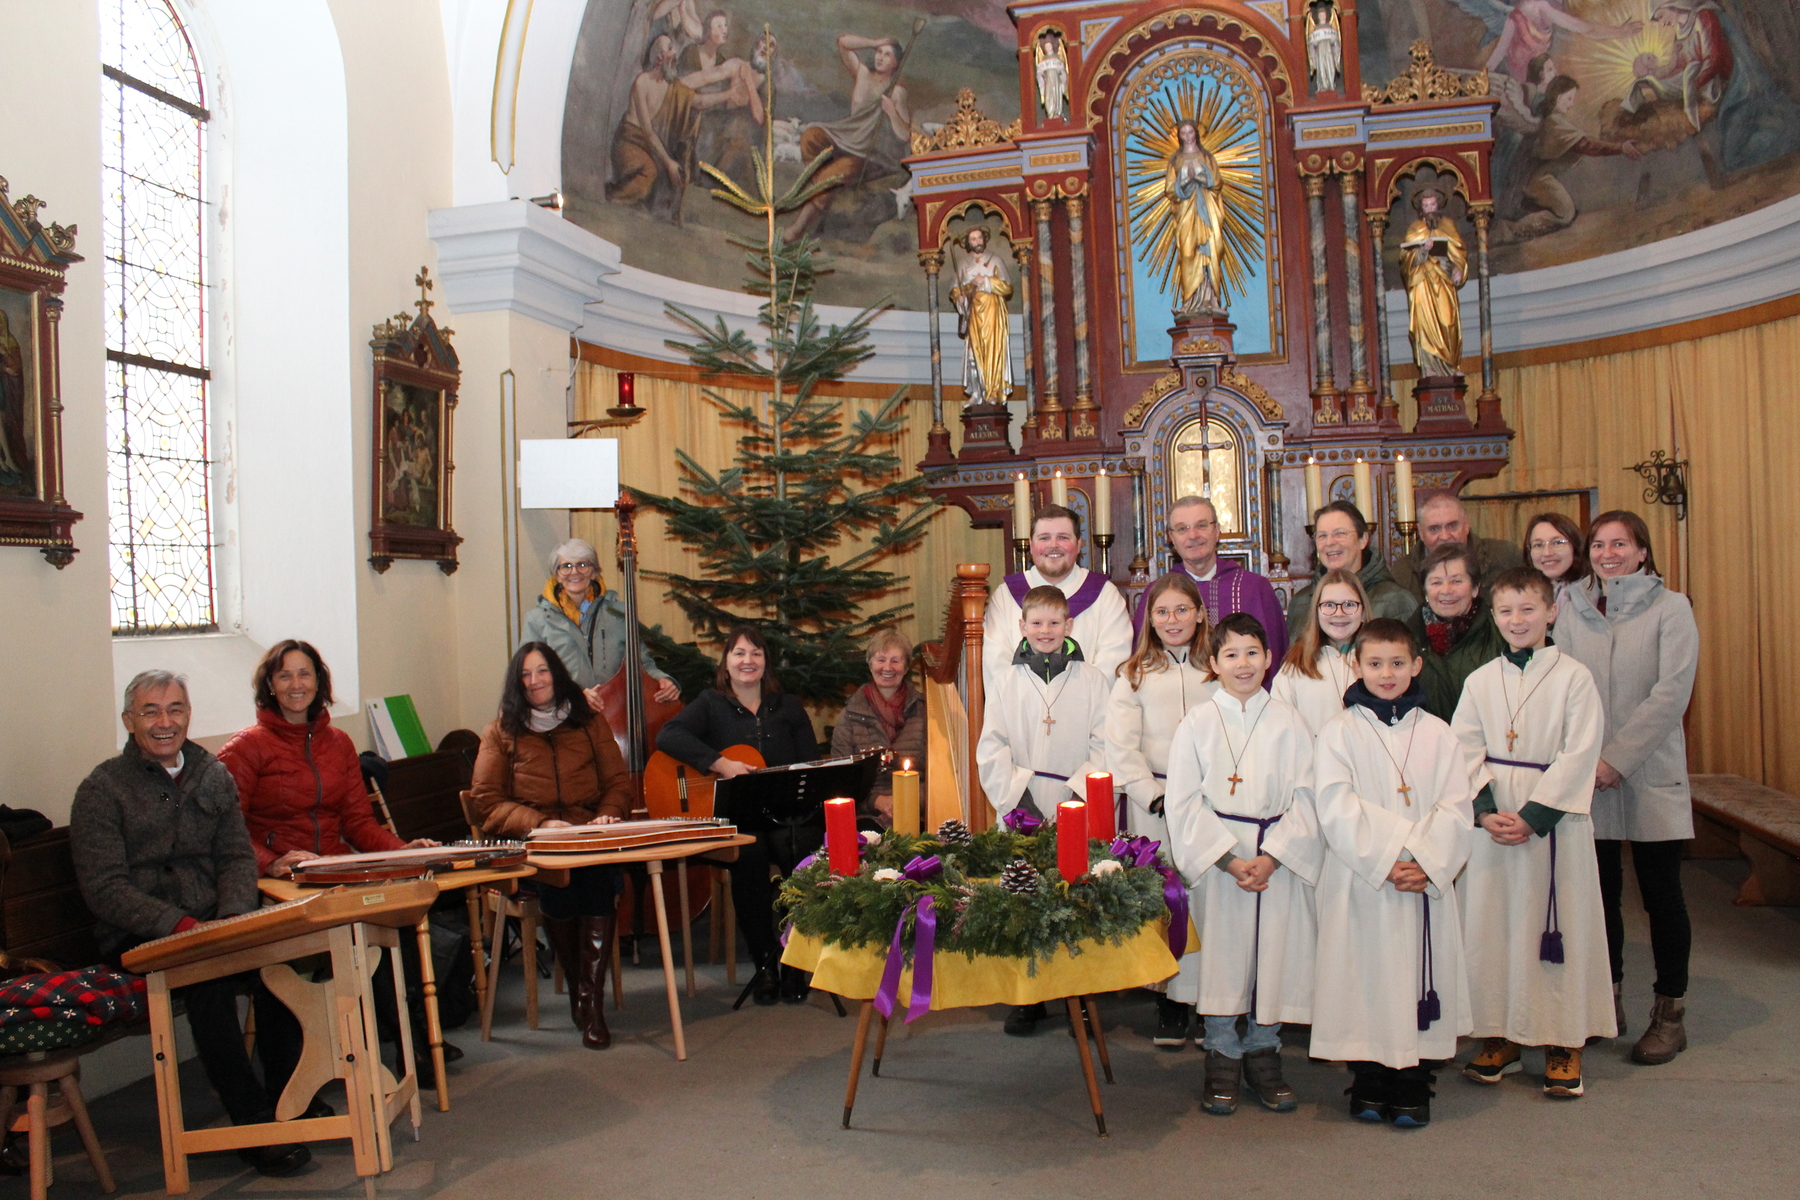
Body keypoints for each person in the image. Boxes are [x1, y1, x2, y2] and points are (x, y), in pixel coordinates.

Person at [71, 671, 311, 1177]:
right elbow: (105, 889)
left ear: (188, 715)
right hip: (142, 934)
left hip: (215, 922)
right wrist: (178, 926)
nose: (165, 722)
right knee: (209, 982)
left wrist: (234, 919)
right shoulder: (101, 789)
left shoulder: (212, 773)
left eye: (175, 709)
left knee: (280, 966)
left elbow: (236, 857)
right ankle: (253, 1124)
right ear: (129, 721)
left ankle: (287, 1100)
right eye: (151, 711)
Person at [218, 639, 455, 1083]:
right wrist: (271, 862)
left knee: (392, 920)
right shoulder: (246, 748)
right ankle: (288, 1077)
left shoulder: (339, 743)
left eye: (304, 674)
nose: (296, 684)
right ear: (270, 685)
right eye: (285, 675)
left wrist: (401, 851)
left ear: (319, 682)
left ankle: (412, 1046)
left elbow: (358, 823)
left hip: (333, 872)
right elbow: (225, 829)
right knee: (283, 960)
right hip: (278, 883)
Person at [1452, 567, 1613, 1099]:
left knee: (1557, 929)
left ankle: (1563, 1042)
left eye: (1527, 609)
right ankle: (1499, 1034)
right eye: (1505, 611)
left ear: (1551, 612)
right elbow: (1463, 748)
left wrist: (1535, 816)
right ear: (1493, 617)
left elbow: (1580, 751)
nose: (1516, 620)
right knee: (1494, 928)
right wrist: (1484, 809)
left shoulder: (1574, 677)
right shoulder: (1480, 680)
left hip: (1553, 824)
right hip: (1495, 821)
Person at [1310, 620, 1475, 1128]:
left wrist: (1426, 862)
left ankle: (1413, 1081)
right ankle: (1368, 1077)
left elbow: (1456, 806)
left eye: (1398, 663)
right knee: (1364, 976)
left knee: (1417, 976)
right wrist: (1387, 858)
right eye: (1375, 663)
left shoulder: (1439, 733)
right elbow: (1334, 805)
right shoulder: (1338, 732)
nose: (1387, 673)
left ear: (1416, 666)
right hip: (1363, 878)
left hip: (1421, 880)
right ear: (1356, 666)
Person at [1555, 511, 1699, 1064]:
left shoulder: (1672, 608)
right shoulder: (1571, 606)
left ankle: (1670, 1014)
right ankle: (1606, 1002)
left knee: (1662, 897)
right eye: (1598, 544)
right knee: (1600, 897)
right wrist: (1584, 760)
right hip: (1588, 775)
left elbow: (1671, 693)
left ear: (1642, 551)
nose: (1608, 553)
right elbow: (1563, 687)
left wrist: (1616, 759)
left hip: (1648, 770)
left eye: (1620, 544)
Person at [1163, 614, 1319, 1116]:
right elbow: (1182, 802)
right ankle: (1222, 1053)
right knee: (1222, 957)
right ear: (1214, 663)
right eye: (1231, 654)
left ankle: (1263, 1051)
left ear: (1269, 658)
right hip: (1221, 861)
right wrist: (1229, 860)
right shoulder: (1197, 722)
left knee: (1272, 955)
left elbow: (1308, 797)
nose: (1243, 664)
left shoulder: (1290, 722)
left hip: (1275, 859)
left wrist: (1273, 857)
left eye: (1252, 652)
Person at [470, 643, 634, 1049]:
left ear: (557, 674)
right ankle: (583, 991)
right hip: (536, 845)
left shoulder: (589, 721)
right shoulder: (500, 731)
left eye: (542, 671)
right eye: (525, 674)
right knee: (560, 883)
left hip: (589, 835)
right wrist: (540, 823)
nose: (534, 681)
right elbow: (486, 802)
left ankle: (589, 1002)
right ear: (516, 682)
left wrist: (608, 814)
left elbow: (618, 783)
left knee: (596, 877)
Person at [656, 625, 821, 1005]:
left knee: (803, 851)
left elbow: (811, 763)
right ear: (726, 662)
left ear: (766, 663)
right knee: (748, 857)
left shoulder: (788, 707)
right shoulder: (710, 703)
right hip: (739, 818)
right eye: (739, 653)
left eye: (756, 653)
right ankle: (764, 963)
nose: (748, 661)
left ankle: (795, 961)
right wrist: (720, 763)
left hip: (786, 816)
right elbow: (669, 735)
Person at [976, 585, 1111, 1037]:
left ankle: (1080, 997)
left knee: (1076, 900)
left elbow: (1104, 743)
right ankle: (1028, 998)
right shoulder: (1005, 682)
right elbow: (992, 746)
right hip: (1023, 807)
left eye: (1055, 622)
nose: (1046, 630)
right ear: (1022, 627)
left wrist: (1077, 795)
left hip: (1076, 804)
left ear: (1069, 626)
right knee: (1025, 899)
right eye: (1037, 623)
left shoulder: (1092, 680)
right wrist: (1020, 800)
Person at [1105, 575, 1215, 1048]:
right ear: (1148, 619)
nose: (1173, 620)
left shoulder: (1219, 667)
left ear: (1201, 614)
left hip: (1213, 803)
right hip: (1157, 803)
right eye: (1162, 612)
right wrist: (1152, 795)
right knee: (1168, 901)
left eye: (1182, 610)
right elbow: (1120, 747)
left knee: (1209, 901)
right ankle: (1170, 1001)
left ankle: (1211, 1001)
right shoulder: (1134, 675)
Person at [1131, 495, 1288, 686]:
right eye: (1182, 529)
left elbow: (1276, 659)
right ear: (1171, 538)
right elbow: (1142, 660)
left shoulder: (1254, 588)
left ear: (1217, 530)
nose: (1193, 535)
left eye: (1202, 525)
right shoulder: (1157, 594)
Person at [983, 505, 1133, 688]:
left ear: (1079, 545)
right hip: (1020, 702)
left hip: (1087, 702)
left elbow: (1114, 658)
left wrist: (1072, 697)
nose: (1053, 545)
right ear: (1031, 545)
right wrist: (1032, 698)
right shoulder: (1006, 594)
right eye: (1044, 538)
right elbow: (995, 661)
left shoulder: (1104, 593)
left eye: (1063, 537)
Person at [783, 34, 913, 243]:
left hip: (868, 152)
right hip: (845, 138)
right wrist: (874, 42)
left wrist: (892, 113)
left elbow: (905, 134)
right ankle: (824, 192)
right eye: (878, 52)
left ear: (896, 63)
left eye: (887, 55)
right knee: (810, 137)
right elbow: (843, 43)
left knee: (831, 175)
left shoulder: (897, 93)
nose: (880, 57)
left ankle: (799, 226)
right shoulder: (863, 74)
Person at [521, 538, 680, 698]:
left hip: (614, 708)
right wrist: (576, 697)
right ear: (557, 574)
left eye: (582, 565)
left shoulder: (619, 613)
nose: (574, 572)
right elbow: (530, 677)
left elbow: (642, 664)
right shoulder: (537, 620)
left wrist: (662, 679)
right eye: (566, 566)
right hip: (565, 710)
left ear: (594, 572)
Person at [829, 629, 927, 827]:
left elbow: (940, 776)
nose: (887, 667)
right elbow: (839, 781)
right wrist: (876, 801)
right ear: (870, 663)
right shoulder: (849, 716)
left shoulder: (926, 712)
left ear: (907, 667)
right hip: (866, 817)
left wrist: (911, 798)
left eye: (895, 661)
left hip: (918, 813)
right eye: (881, 660)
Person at [1286, 500, 1417, 639]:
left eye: (1340, 533)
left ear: (1363, 539)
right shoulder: (1300, 602)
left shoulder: (1395, 600)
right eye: (1322, 536)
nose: (1330, 542)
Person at [1409, 542, 1506, 722]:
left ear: (1475, 588)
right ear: (1425, 591)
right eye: (1436, 582)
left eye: (1456, 581)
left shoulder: (1500, 634)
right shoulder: (1408, 638)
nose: (1446, 590)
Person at [1272, 567, 1367, 737]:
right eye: (1329, 605)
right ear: (1316, 612)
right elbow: (1279, 728)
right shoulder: (1296, 667)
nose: (1339, 613)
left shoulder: (1379, 663)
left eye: (1349, 604)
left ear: (1363, 612)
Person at [1388, 492, 1524, 601]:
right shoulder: (1403, 573)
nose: (1445, 536)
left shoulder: (1504, 556)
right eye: (1434, 529)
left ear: (1466, 525)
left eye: (1452, 526)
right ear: (1421, 532)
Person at [1399, 188, 1467, 378]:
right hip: (1423, 281)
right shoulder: (1415, 228)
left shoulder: (1448, 225)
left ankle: (1450, 366)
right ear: (1421, 208)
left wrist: (1457, 268)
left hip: (1443, 277)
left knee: (1447, 320)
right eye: (1426, 205)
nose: (1429, 208)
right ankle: (1428, 367)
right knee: (1425, 323)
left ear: (1438, 205)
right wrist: (1423, 250)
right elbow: (1405, 258)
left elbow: (1459, 251)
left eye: (1432, 204)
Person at [1166, 120, 1226, 316]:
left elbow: (1216, 182)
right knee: (1187, 253)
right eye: (1183, 133)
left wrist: (1199, 179)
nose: (1187, 136)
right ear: (1179, 136)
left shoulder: (1206, 156)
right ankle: (1190, 301)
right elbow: (1169, 189)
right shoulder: (1175, 160)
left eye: (1190, 132)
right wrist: (1184, 183)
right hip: (1186, 211)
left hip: (1207, 209)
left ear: (1196, 134)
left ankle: (1211, 299)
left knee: (1211, 250)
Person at [950, 227, 1013, 404]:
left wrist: (985, 281)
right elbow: (956, 288)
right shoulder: (963, 263)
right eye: (973, 239)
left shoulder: (995, 260)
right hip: (973, 313)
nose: (977, 241)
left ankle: (992, 391)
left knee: (991, 352)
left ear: (984, 239)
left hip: (992, 313)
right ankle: (977, 392)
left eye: (979, 238)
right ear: (968, 243)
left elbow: (1007, 287)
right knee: (972, 355)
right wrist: (959, 296)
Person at [1522, 510, 1589, 607]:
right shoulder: (1521, 594)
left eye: (1557, 543)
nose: (1547, 553)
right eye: (1538, 545)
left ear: (1575, 545)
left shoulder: (1589, 595)